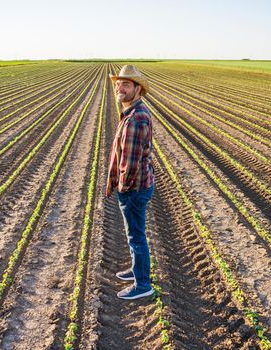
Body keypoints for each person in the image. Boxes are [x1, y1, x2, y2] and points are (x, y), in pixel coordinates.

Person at [105, 64, 155, 300]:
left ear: (137, 89)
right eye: (118, 83)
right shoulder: (132, 113)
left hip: (134, 188)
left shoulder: (136, 119)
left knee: (136, 236)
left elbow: (131, 163)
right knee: (134, 233)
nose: (120, 87)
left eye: (125, 84)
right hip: (137, 186)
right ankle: (137, 271)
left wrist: (123, 188)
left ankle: (143, 284)